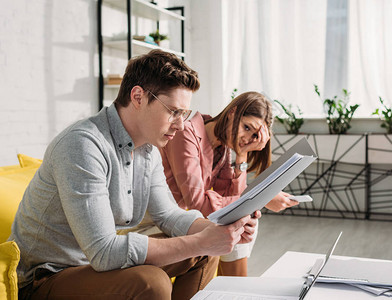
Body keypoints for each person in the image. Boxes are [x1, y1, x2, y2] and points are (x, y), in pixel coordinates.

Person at [8, 49, 259, 300]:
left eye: (183, 114)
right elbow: (104, 251)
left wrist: (219, 231)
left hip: (91, 266)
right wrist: (202, 240)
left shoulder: (147, 148)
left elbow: (169, 215)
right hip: (44, 278)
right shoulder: (83, 145)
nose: (181, 125)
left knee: (203, 251)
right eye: (173, 111)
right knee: (152, 283)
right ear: (138, 96)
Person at [159, 91, 299, 277]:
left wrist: (242, 155)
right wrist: (261, 198)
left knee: (245, 222)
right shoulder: (187, 133)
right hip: (164, 215)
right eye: (247, 127)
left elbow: (231, 201)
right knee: (240, 223)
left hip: (187, 215)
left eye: (254, 136)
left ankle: (233, 289)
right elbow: (197, 202)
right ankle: (236, 289)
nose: (247, 138)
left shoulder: (224, 146)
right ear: (233, 112)